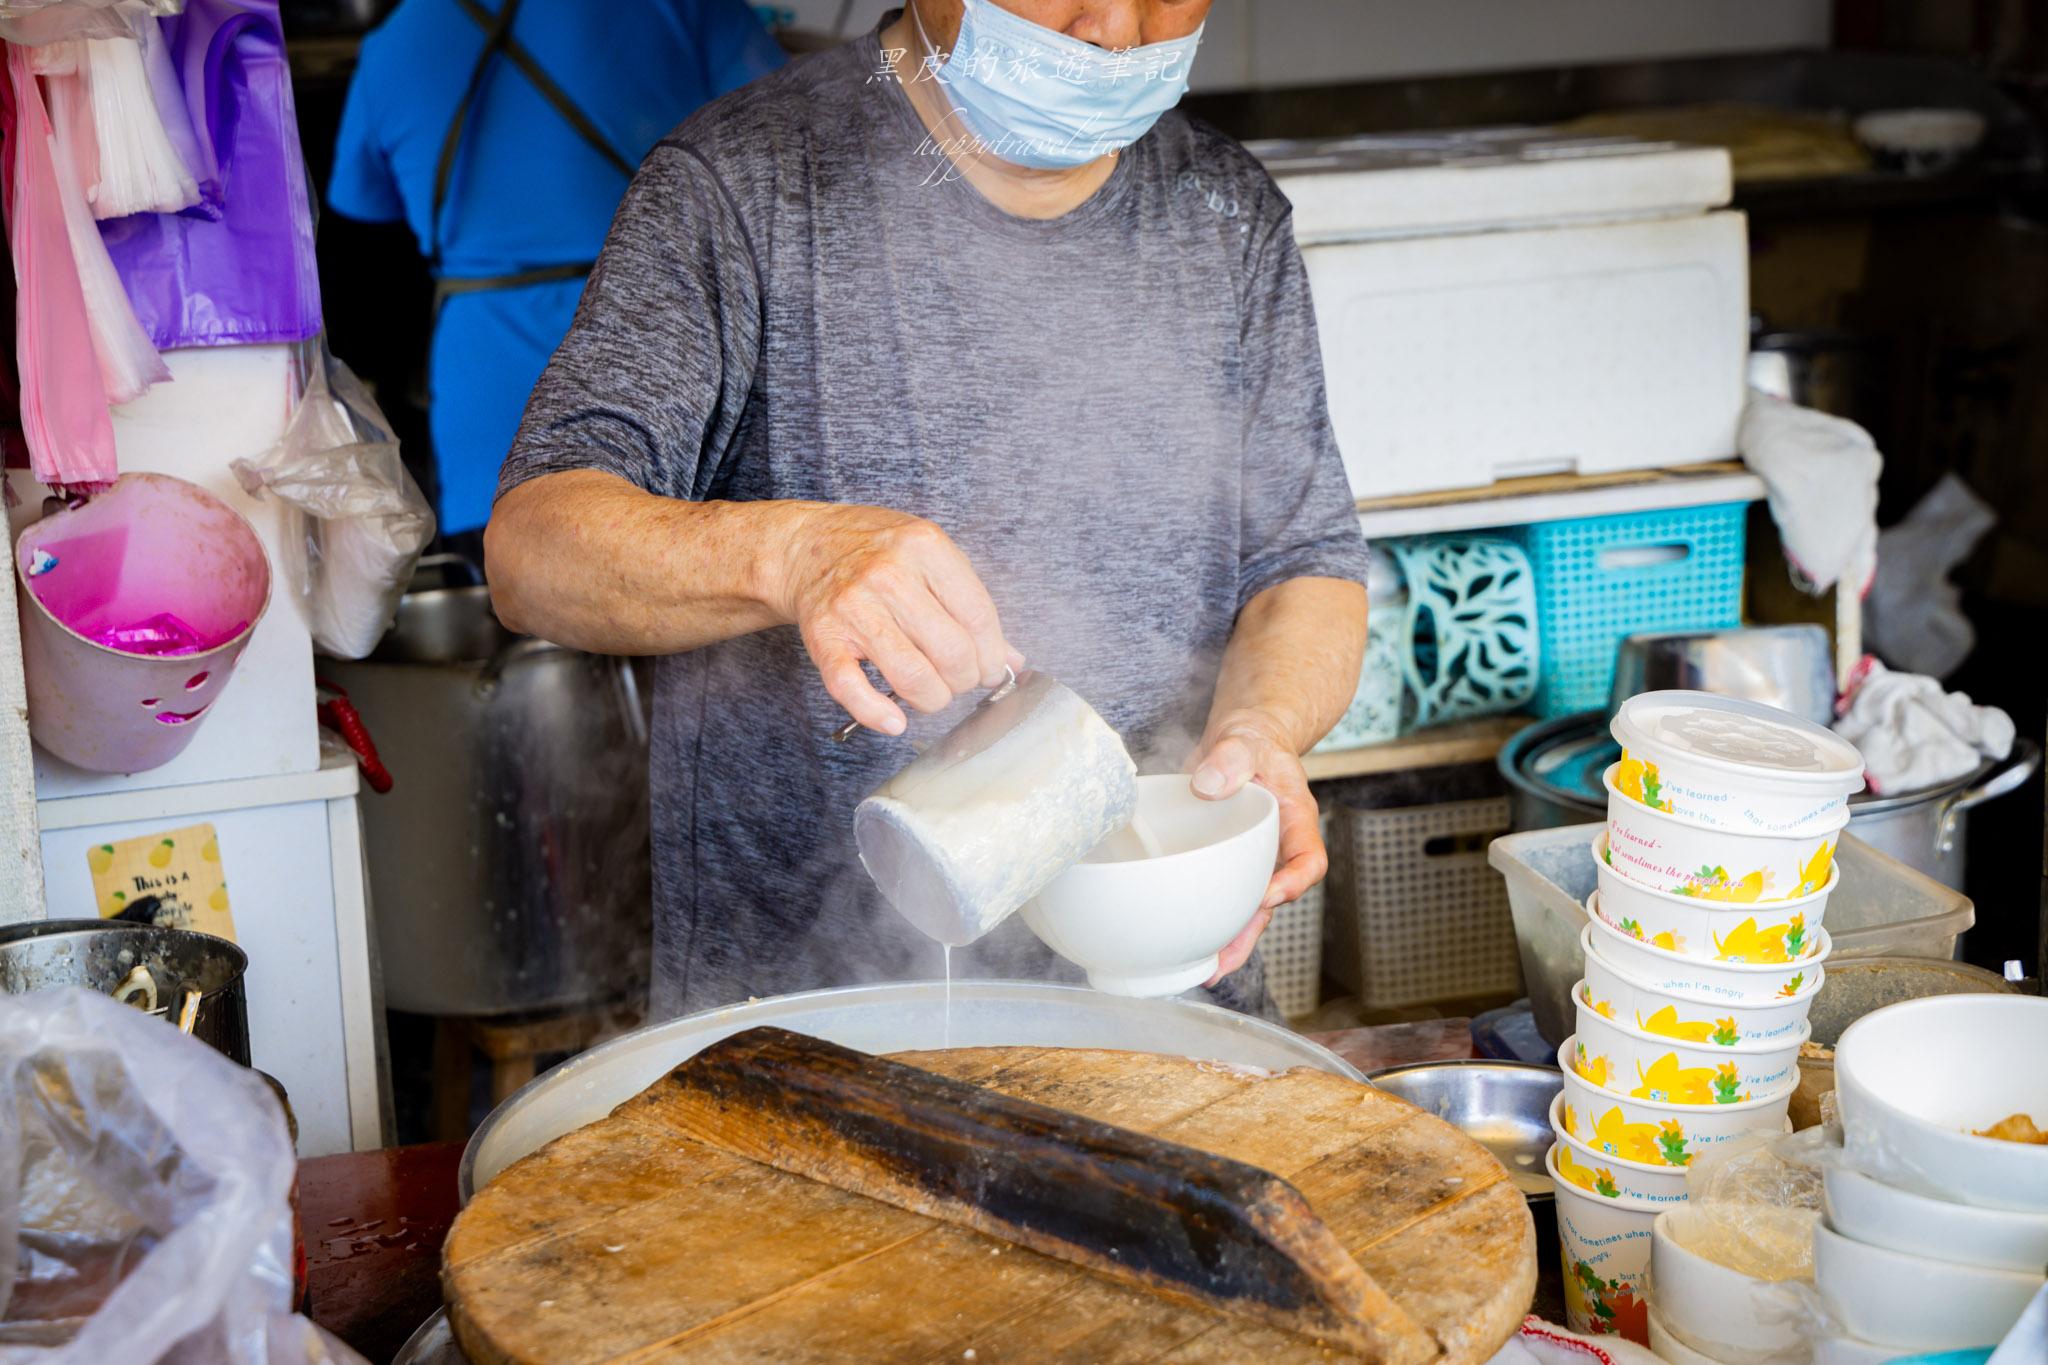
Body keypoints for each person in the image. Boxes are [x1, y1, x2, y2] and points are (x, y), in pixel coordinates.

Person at [484, 0, 1371, 1020]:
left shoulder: (1226, 214)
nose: (1113, 27)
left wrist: (1262, 729)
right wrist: (796, 554)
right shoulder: (738, 186)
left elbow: (1304, 566)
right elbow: (531, 549)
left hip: (1166, 1006)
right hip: (806, 1026)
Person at [325, 0, 785, 543]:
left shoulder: (396, 41)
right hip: (669, 355)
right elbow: (792, 130)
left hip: (487, 389)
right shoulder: (683, 9)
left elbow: (359, 234)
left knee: (515, 604)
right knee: (701, 579)